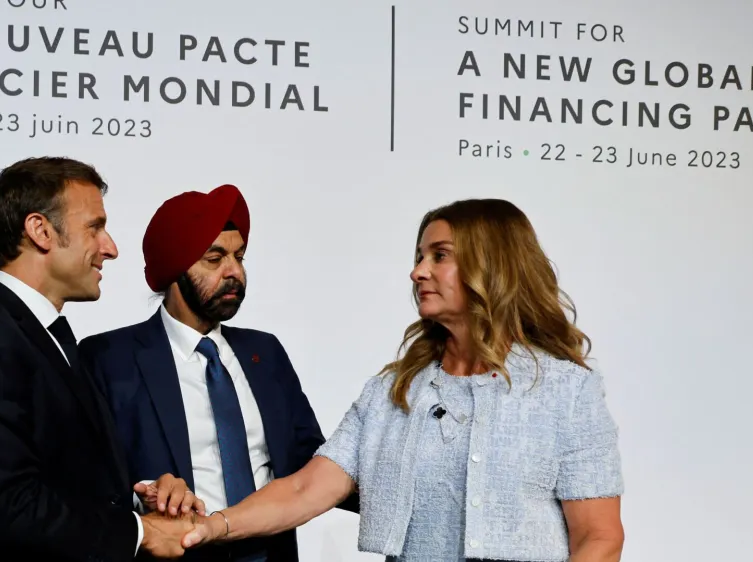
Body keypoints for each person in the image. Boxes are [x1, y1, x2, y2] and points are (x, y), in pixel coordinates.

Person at [171, 198, 626, 562]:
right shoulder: (394, 391)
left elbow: (599, 539)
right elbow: (304, 489)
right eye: (419, 256)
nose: (417, 271)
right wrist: (213, 525)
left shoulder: (566, 391)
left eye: (439, 256)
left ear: (493, 267)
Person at [0, 157, 201, 562]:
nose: (111, 248)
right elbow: (8, 505)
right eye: (95, 227)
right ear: (40, 230)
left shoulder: (45, 339)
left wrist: (138, 501)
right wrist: (141, 532)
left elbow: (60, 479)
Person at [79, 184, 357, 562]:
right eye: (215, 258)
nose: (235, 272)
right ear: (175, 269)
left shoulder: (266, 352)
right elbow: (87, 476)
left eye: (239, 257)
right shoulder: (109, 357)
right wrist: (143, 496)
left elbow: (311, 464)